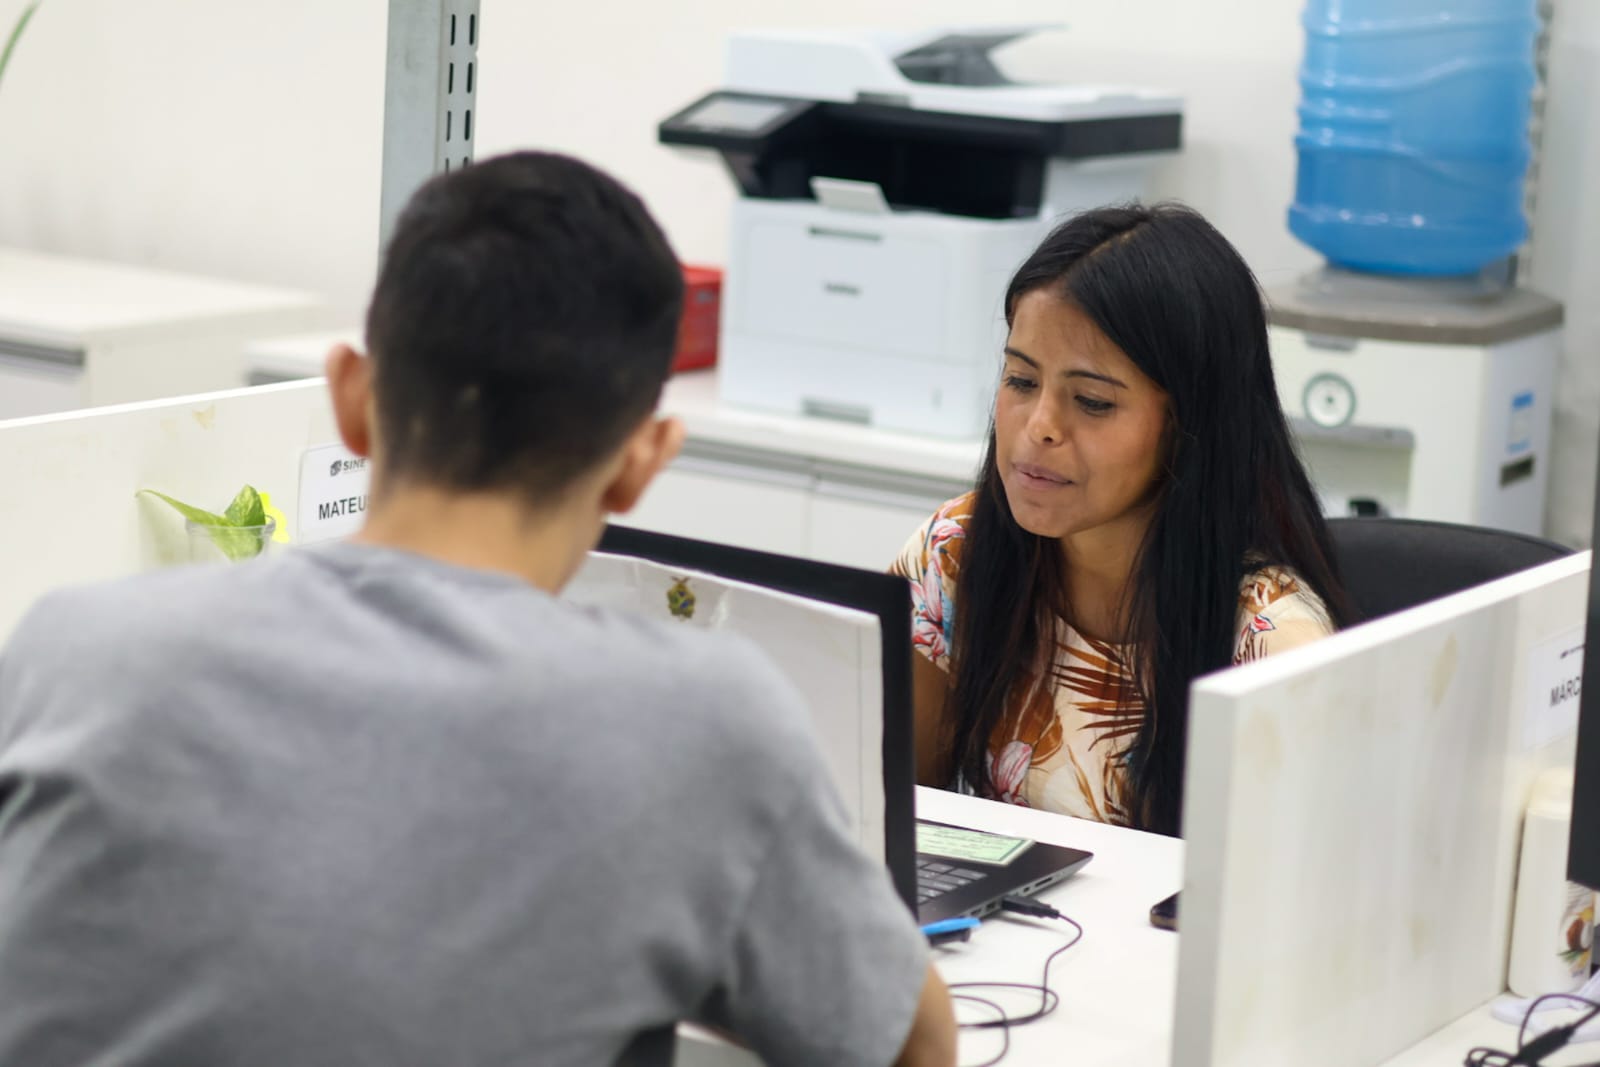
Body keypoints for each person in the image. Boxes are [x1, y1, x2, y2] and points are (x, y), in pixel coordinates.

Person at [0, 152, 955, 1067]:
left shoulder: (71, 650)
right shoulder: (698, 728)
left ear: (350, 401)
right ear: (642, 461)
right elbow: (905, 1045)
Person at [892, 203, 1350, 837]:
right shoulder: (953, 554)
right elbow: (892, 813)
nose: (1039, 426)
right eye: (1021, 380)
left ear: (1190, 425)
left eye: (1092, 401)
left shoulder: (1271, 645)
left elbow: (1276, 902)